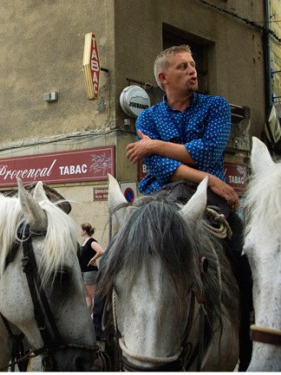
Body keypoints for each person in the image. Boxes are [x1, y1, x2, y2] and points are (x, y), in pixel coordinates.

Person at [125, 44, 252, 370]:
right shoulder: (148, 116)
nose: (193, 70)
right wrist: (209, 179)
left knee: (245, 258)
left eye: (193, 64)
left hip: (210, 203)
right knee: (117, 256)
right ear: (164, 78)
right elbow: (159, 168)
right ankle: (104, 336)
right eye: (182, 66)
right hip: (159, 197)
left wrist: (154, 145)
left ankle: (247, 343)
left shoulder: (216, 106)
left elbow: (209, 151)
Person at [77, 223, 104, 313]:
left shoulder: (91, 241)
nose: (80, 231)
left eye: (81, 230)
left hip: (90, 271)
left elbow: (100, 251)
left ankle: (95, 315)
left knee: (92, 295)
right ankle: (88, 315)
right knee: (86, 295)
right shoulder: (84, 242)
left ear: (84, 231)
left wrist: (92, 259)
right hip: (83, 270)